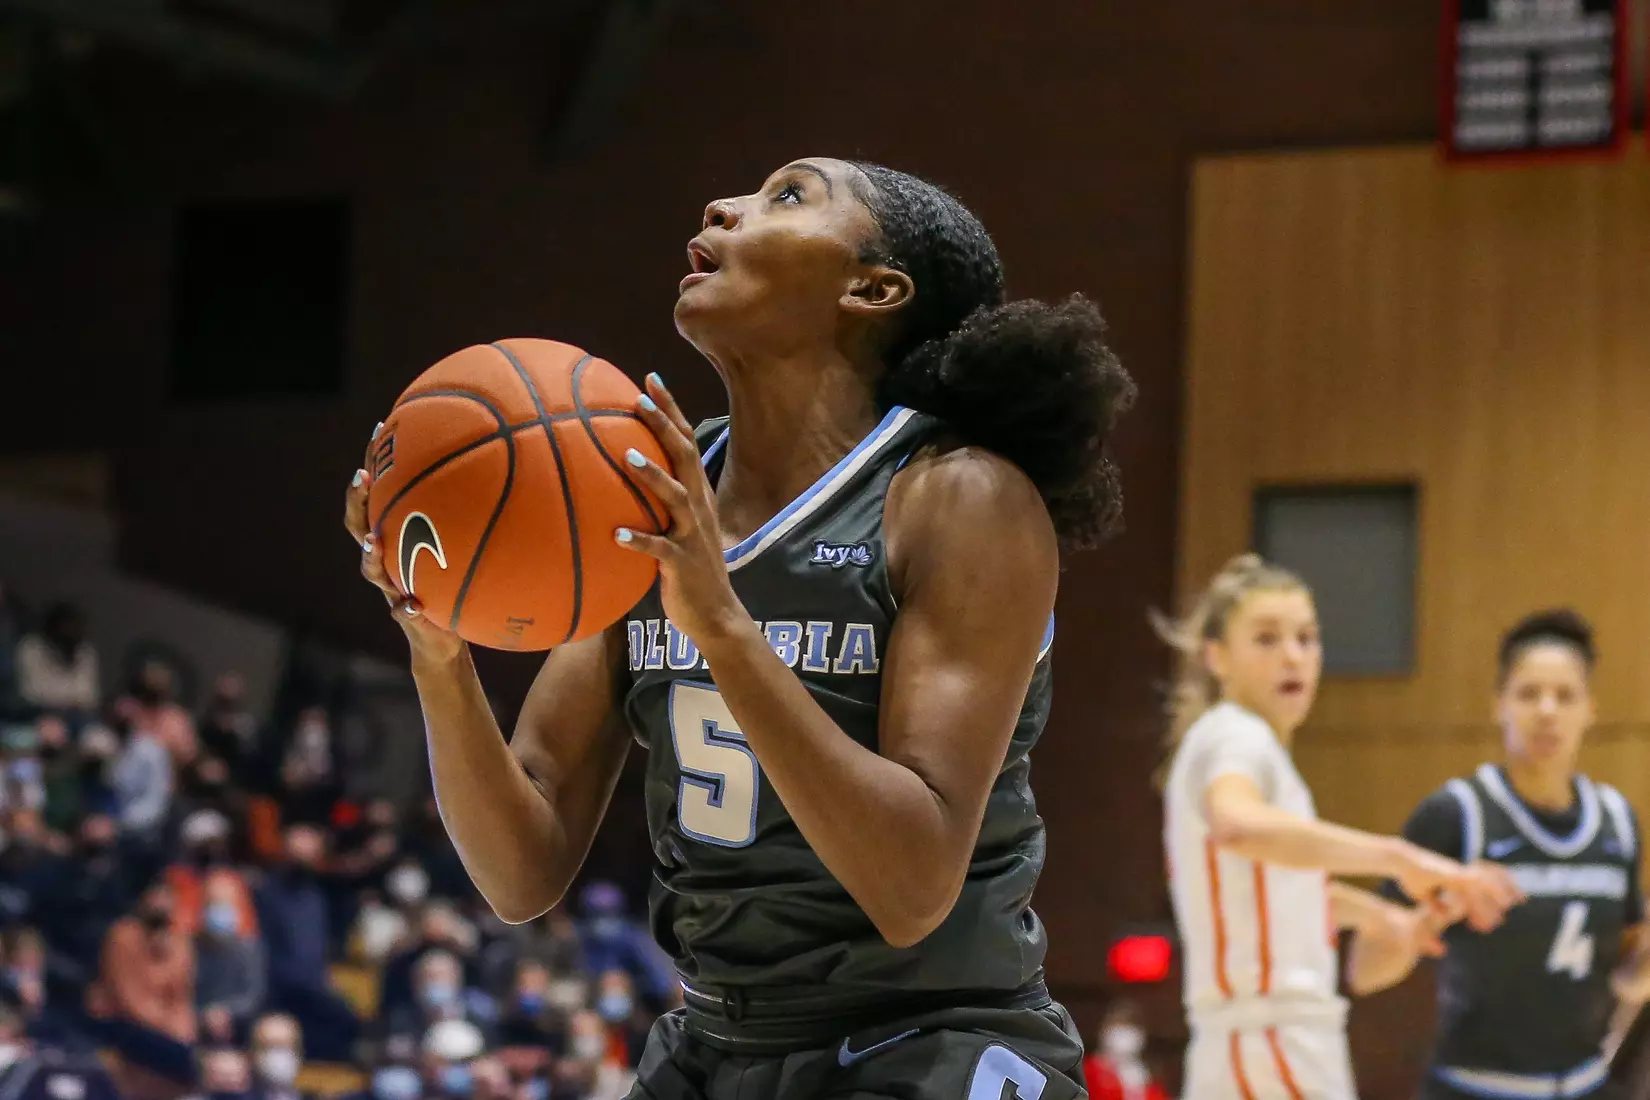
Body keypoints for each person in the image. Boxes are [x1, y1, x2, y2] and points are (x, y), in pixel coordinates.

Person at [345, 158, 1140, 1099]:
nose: (723, 205)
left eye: (789, 196)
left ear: (872, 288)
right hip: (714, 1045)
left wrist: (721, 624)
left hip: (928, 1035)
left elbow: (914, 886)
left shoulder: (957, 496)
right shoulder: (634, 497)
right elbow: (523, 873)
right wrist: (440, 654)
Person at [1159, 554, 1523, 1100]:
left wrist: (1382, 919)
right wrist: (1401, 858)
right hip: (1270, 1036)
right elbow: (1236, 825)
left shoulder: (1243, 742)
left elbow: (1275, 884)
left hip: (1258, 1040)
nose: (1293, 656)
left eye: (1307, 638)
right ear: (1218, 656)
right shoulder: (1236, 736)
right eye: (1267, 638)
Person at [1370, 609, 1650, 1100]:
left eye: (1565, 696)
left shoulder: (1617, 823)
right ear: (1498, 704)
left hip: (1586, 1085)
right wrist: (1422, 926)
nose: (1547, 710)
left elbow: (1625, 983)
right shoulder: (1455, 815)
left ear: (1590, 710)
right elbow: (1363, 969)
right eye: (1528, 693)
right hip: (1472, 1088)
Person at [1082, 1000, 1167, 1100]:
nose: (1124, 1036)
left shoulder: (1145, 1074)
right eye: (1118, 1027)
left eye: (1131, 1028)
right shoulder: (1091, 1070)